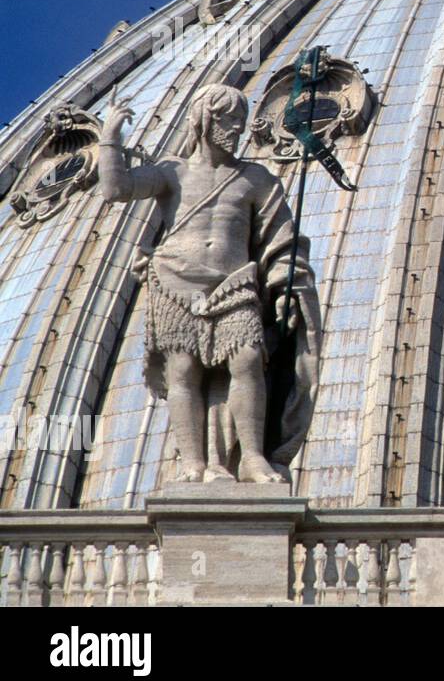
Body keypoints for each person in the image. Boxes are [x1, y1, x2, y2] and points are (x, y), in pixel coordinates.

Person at [98, 85, 322, 484]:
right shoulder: (173, 172)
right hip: (174, 280)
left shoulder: (256, 179)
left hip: (234, 283)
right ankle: (194, 463)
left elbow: (280, 239)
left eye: (239, 120)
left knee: (249, 360)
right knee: (183, 370)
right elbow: (117, 190)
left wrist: (286, 284)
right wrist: (110, 138)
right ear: (203, 119)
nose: (236, 128)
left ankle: (253, 457)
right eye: (226, 119)